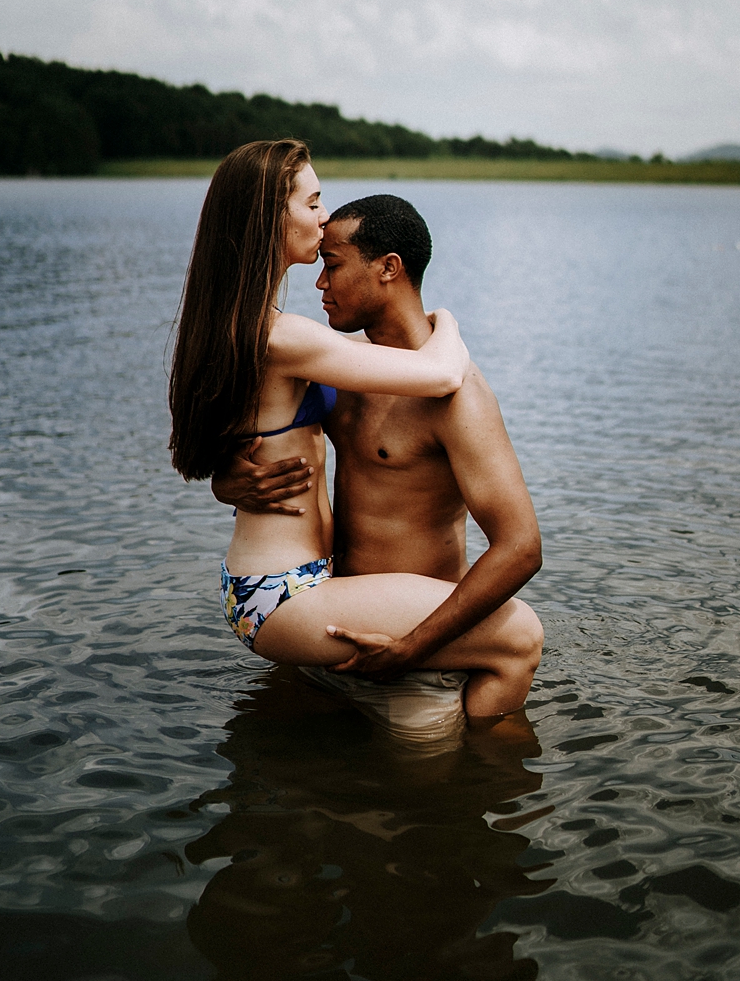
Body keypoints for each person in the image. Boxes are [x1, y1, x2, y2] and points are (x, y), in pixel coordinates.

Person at [169, 141, 543, 723]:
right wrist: (448, 321)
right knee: (523, 635)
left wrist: (227, 479)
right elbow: (438, 368)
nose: (321, 220)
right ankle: (497, 799)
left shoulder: (263, 334)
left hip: (291, 589)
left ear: (389, 267)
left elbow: (237, 441)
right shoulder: (285, 338)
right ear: (272, 215)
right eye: (313, 202)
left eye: (334, 265)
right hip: (292, 594)